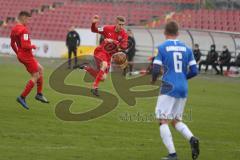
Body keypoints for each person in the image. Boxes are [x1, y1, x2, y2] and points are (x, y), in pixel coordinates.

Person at [151, 21, 199, 160]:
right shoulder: (187, 48)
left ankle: (172, 154)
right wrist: (183, 78)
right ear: (178, 33)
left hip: (168, 86)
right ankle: (192, 139)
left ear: (165, 33)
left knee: (162, 120)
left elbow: (155, 69)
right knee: (176, 120)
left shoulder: (162, 47)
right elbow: (195, 71)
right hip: (183, 87)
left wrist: (153, 80)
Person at [74, 15, 128, 96]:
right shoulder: (107, 28)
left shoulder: (124, 34)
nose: (121, 26)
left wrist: (113, 41)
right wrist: (93, 23)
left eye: (123, 25)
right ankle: (94, 87)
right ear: (116, 23)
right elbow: (94, 30)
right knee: (104, 65)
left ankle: (85, 67)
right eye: (120, 24)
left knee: (103, 78)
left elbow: (124, 46)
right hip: (101, 51)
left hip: (109, 56)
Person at [10, 11, 49, 110]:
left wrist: (18, 53)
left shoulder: (14, 29)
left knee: (40, 69)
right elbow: (25, 45)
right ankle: (22, 97)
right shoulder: (24, 30)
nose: (28, 21)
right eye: (28, 19)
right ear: (23, 17)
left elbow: (12, 44)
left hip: (22, 55)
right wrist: (33, 46)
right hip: (27, 55)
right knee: (35, 75)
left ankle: (39, 94)